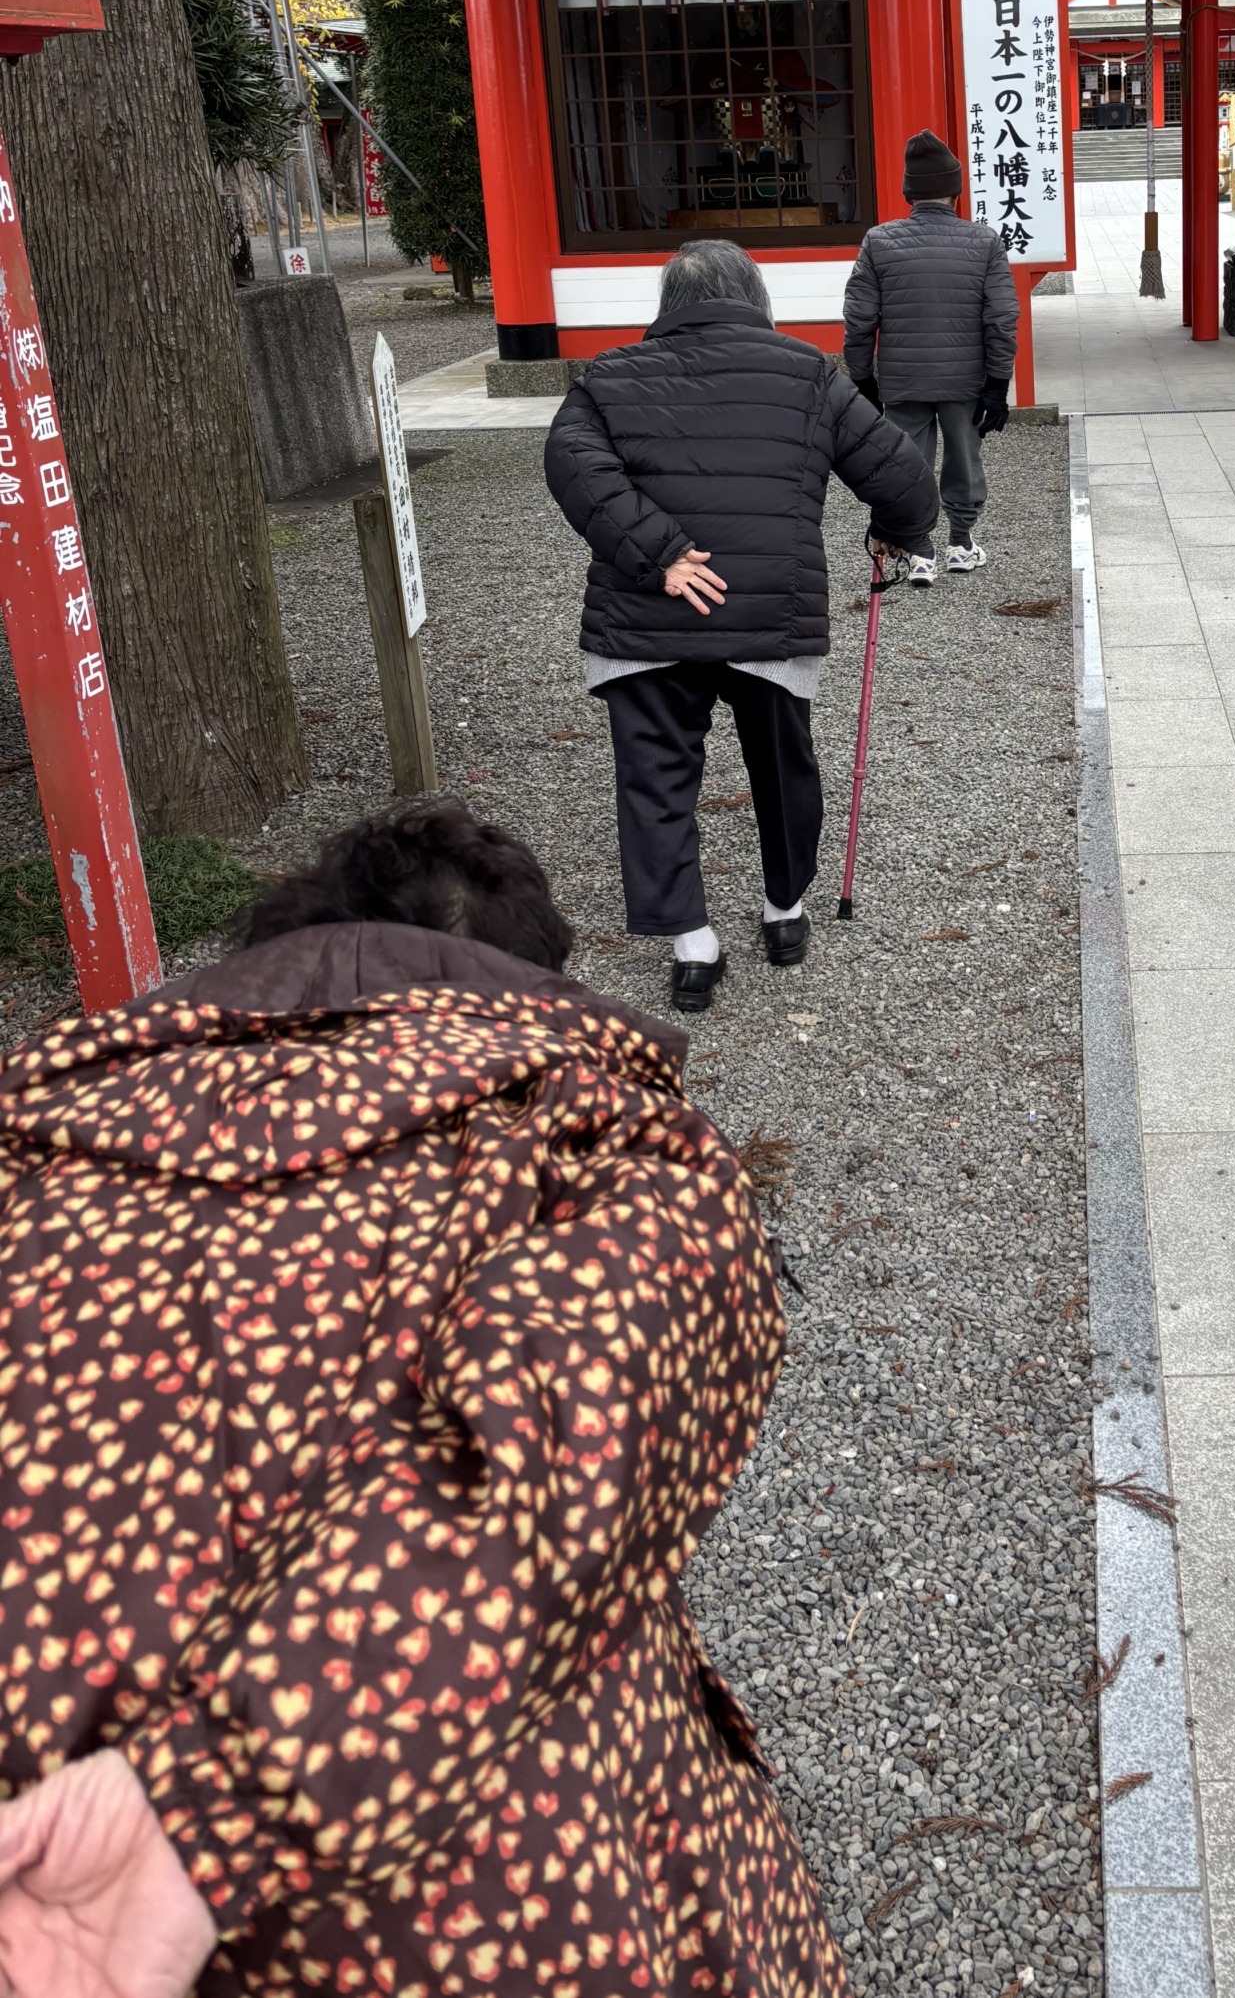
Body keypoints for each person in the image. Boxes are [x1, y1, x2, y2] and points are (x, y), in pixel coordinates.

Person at [0, 802, 850, 1998]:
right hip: (512, 1918)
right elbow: (563, 1435)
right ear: (533, 984)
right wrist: (196, 1809)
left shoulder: (34, 1142)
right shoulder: (602, 1141)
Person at [545, 237, 937, 1013]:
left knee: (654, 779)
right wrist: (893, 533)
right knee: (784, 767)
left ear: (668, 304)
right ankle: (784, 913)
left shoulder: (608, 377)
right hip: (770, 615)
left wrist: (658, 554)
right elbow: (907, 480)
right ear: (756, 299)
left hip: (645, 621)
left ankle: (693, 946)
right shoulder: (809, 374)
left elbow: (572, 464)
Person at [841, 129, 1019, 586]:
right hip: (965, 379)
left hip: (902, 379)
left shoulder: (879, 241)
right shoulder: (984, 242)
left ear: (909, 193)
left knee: (907, 462)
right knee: (964, 457)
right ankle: (961, 542)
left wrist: (862, 379)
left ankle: (920, 549)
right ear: (956, 191)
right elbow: (1001, 318)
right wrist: (998, 383)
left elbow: (859, 318)